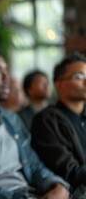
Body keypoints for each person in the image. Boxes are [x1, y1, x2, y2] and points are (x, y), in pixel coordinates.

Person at [0, 47, 70, 199]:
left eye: (7, 70)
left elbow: (33, 163)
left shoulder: (11, 118)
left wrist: (56, 185)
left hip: (32, 192)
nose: (7, 77)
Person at [31, 53, 86, 197]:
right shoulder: (46, 121)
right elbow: (71, 172)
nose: (85, 81)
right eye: (79, 76)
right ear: (59, 84)